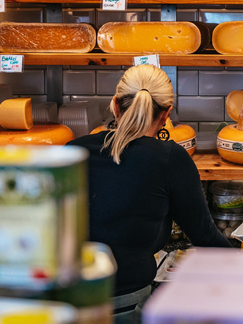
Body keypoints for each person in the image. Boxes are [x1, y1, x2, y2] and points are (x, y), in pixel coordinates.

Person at [68, 64, 231, 323]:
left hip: (66, 302)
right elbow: (206, 237)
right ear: (166, 114)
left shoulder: (73, 150)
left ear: (115, 105)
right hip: (125, 307)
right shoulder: (169, 159)